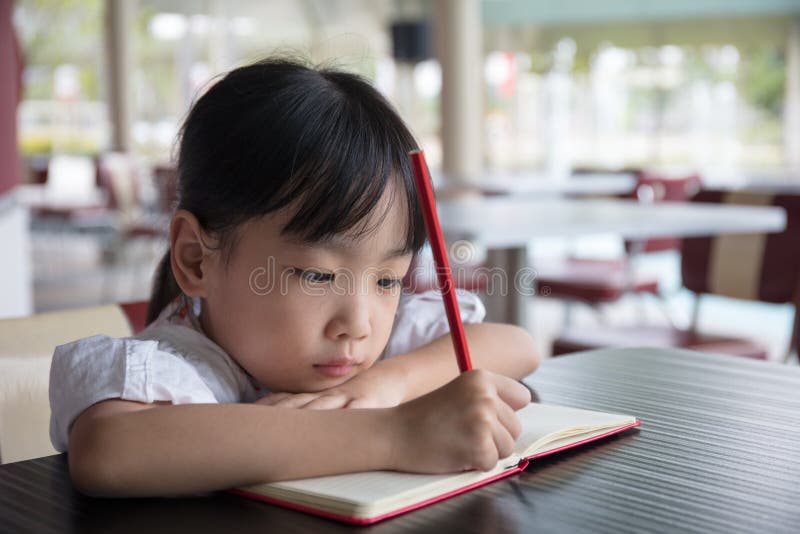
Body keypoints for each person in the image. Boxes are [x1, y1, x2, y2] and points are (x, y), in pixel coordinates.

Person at [49, 57, 539, 497]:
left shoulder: (370, 359)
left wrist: (390, 383)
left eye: (388, 281)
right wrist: (397, 434)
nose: (358, 323)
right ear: (197, 259)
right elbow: (109, 451)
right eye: (318, 276)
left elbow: (518, 346)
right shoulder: (187, 370)